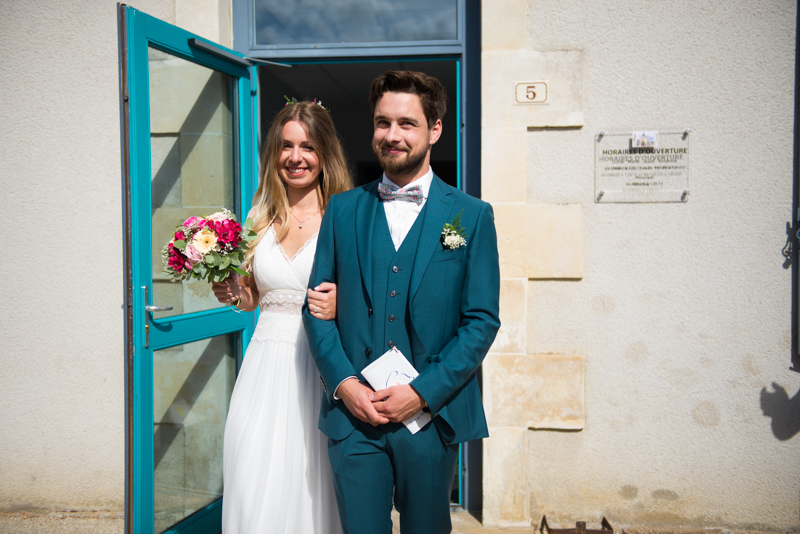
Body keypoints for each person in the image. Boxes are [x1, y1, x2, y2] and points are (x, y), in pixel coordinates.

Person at [303, 70, 501, 534]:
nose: (392, 135)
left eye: (407, 123)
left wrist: (421, 393)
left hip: (429, 417)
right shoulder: (343, 210)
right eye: (382, 122)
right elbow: (315, 309)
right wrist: (345, 386)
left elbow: (481, 321)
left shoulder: (469, 216)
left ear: (435, 129)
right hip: (354, 419)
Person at [211, 100, 352, 533]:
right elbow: (253, 296)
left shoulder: (345, 216)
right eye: (286, 146)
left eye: (307, 146)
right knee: (252, 471)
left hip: (320, 366)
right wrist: (233, 293)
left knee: (311, 479)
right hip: (263, 366)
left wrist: (341, 304)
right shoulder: (259, 217)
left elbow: (371, 295)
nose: (296, 157)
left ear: (325, 153)